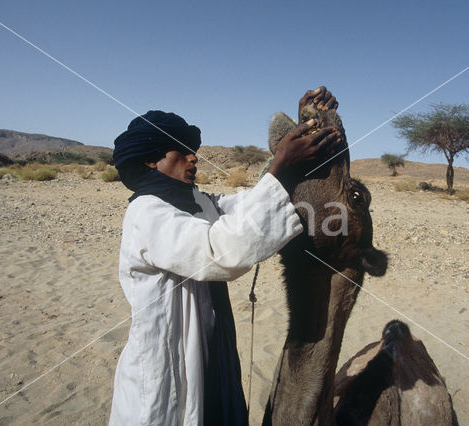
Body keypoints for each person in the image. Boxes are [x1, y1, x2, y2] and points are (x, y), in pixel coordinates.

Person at [109, 88, 339, 426]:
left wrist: (301, 129)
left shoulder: (196, 202)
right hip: (167, 365)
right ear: (150, 160)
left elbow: (248, 203)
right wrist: (280, 165)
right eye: (182, 151)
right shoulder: (147, 212)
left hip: (209, 349)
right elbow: (218, 252)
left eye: (193, 151)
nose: (193, 158)